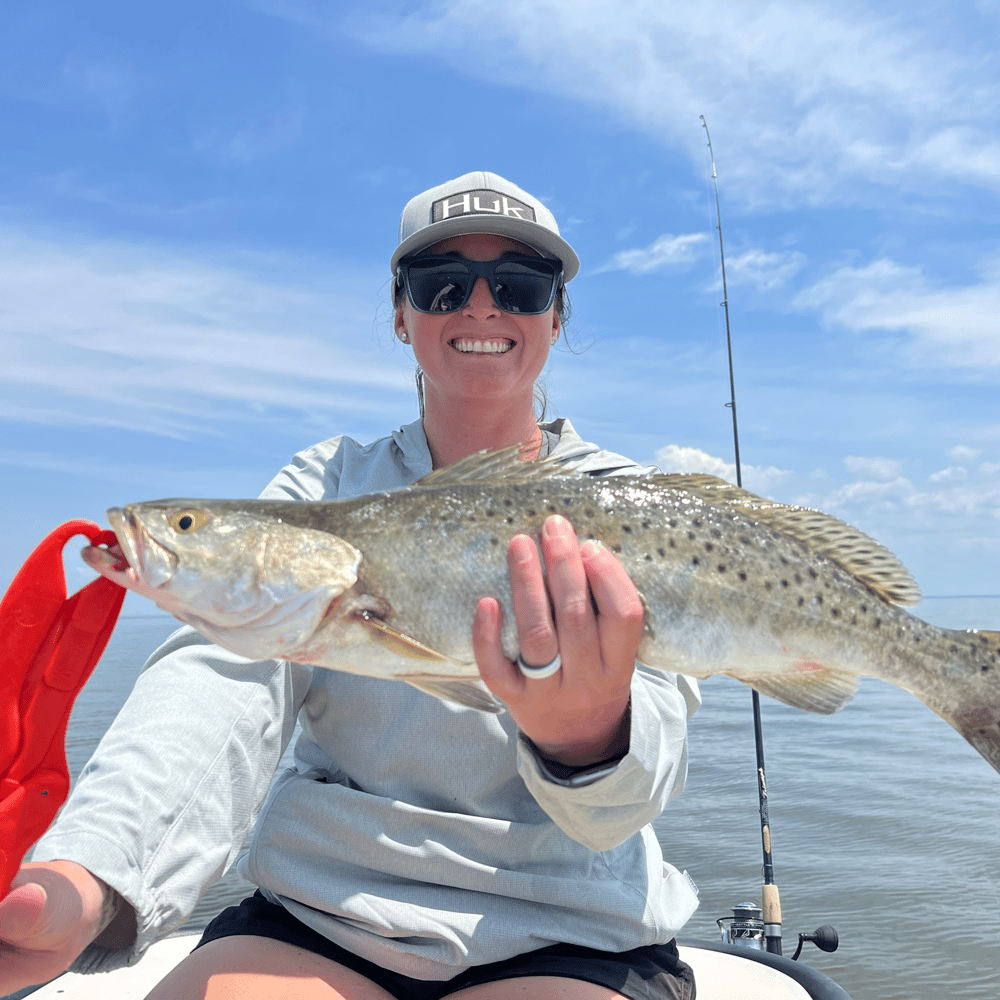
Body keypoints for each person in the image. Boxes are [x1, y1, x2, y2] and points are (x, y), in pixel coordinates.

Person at [0, 172, 701, 1000]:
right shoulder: (323, 484)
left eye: (519, 285)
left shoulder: (634, 507)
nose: (480, 307)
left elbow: (633, 792)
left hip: (573, 921)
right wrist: (93, 871)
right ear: (402, 315)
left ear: (556, 316)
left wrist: (589, 742)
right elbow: (217, 683)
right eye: (441, 285)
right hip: (328, 916)